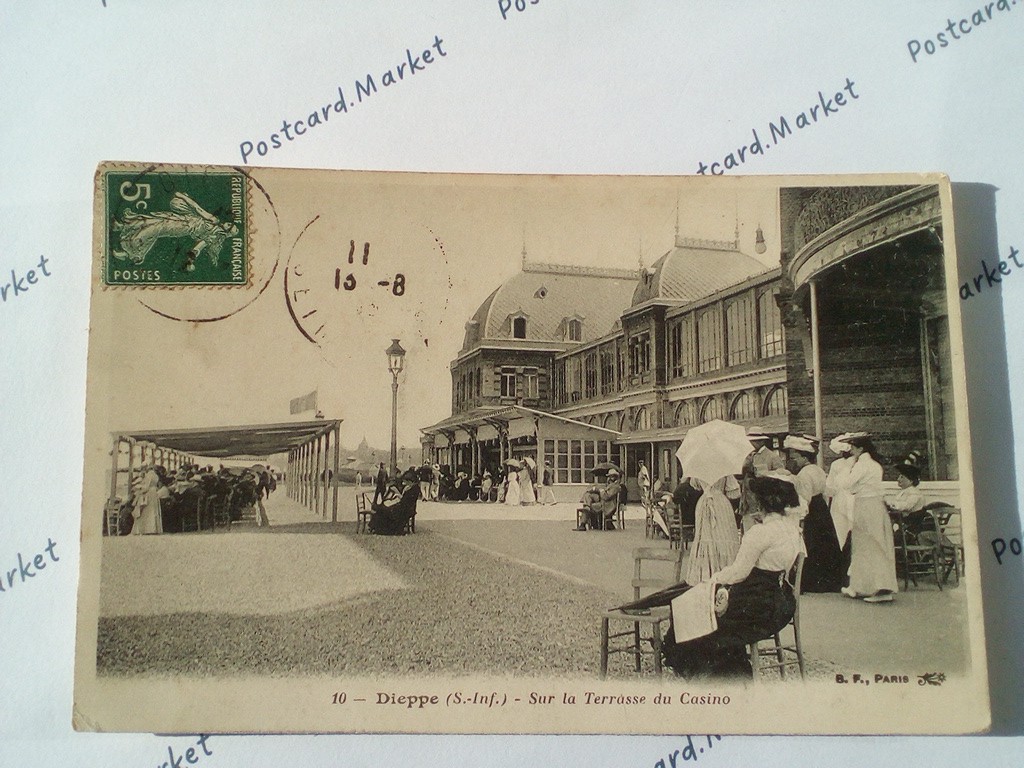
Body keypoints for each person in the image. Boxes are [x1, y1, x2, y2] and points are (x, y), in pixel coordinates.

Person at [638, 475, 804, 679]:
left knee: (696, 605)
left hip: (757, 604)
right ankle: (709, 664)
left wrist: (712, 579)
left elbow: (738, 573)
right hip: (781, 602)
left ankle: (698, 665)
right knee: (708, 604)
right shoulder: (792, 530)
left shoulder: (760, 533)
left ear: (761, 502)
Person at [840, 434, 899, 603]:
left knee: (872, 545)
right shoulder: (874, 465)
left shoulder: (862, 465)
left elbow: (846, 484)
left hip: (867, 506)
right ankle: (860, 586)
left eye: (852, 446)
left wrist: (848, 467)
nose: (850, 450)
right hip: (870, 505)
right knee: (866, 545)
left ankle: (881, 589)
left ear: (860, 449)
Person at [785, 435, 843, 593]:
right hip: (821, 509)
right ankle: (831, 579)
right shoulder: (817, 470)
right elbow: (826, 490)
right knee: (826, 543)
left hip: (811, 510)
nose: (794, 461)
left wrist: (799, 516)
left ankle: (813, 582)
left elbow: (804, 499)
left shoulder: (804, 474)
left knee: (812, 545)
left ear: (804, 457)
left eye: (796, 457)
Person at [684, 476, 741, 586]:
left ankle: (707, 575)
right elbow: (732, 491)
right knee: (722, 537)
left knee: (706, 538)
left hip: (704, 503)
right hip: (721, 504)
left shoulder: (699, 464)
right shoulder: (723, 464)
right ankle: (724, 574)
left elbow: (695, 485)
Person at [825, 433, 856, 581]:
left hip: (842, 501)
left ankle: (845, 571)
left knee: (841, 534)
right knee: (848, 533)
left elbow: (829, 487)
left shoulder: (837, 465)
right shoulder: (856, 463)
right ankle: (849, 569)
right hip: (850, 500)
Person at [368, 470, 420, 535]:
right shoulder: (412, 488)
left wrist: (398, 494)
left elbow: (405, 500)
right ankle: (375, 527)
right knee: (382, 509)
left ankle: (377, 528)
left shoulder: (413, 489)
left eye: (406, 482)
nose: (404, 483)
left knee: (383, 510)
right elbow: (405, 500)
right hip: (403, 508)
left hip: (404, 510)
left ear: (410, 481)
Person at [131, 465, 166, 535]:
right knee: (153, 510)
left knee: (147, 511)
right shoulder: (156, 475)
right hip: (154, 493)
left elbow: (146, 487)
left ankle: (146, 529)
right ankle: (153, 528)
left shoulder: (149, 475)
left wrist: (138, 488)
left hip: (149, 493)